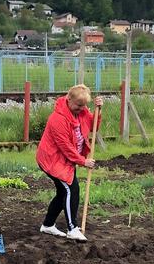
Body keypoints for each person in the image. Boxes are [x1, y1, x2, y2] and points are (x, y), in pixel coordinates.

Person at [36, 84, 103, 242]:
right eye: (79, 105)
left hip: (66, 160)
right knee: (71, 189)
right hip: (52, 159)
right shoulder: (57, 119)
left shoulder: (82, 111)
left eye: (84, 105)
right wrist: (83, 161)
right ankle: (73, 228)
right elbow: (65, 147)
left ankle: (48, 225)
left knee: (63, 192)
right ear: (69, 99)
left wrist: (98, 111)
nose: (82, 108)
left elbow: (93, 125)